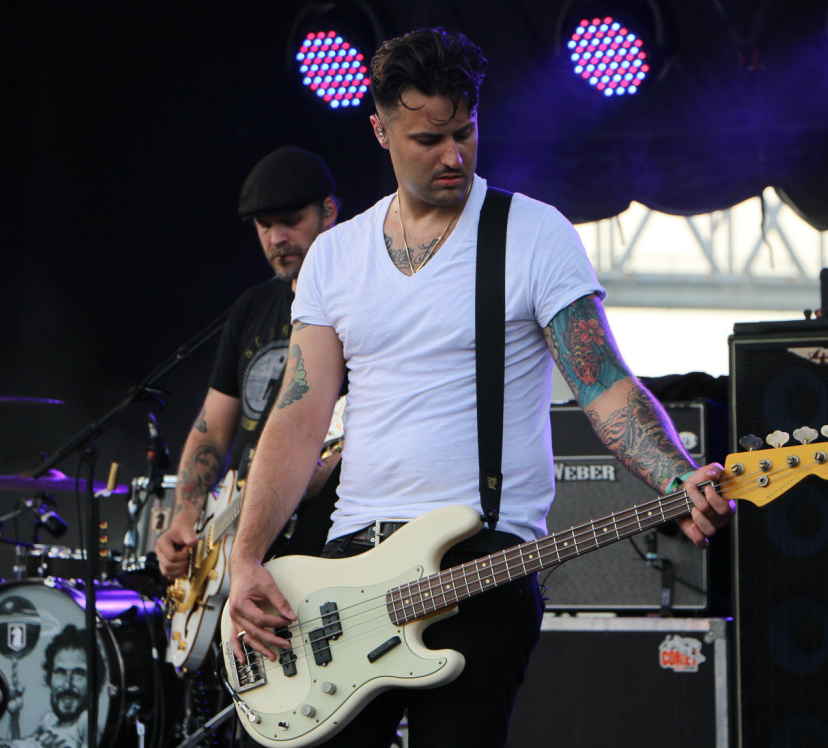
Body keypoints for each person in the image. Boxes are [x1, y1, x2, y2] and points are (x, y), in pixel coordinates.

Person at [225, 27, 735, 747]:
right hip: (346, 572)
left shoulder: (533, 235)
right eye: (427, 140)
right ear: (380, 131)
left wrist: (673, 475)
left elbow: (603, 384)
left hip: (483, 567)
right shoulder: (337, 256)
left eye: (464, 133)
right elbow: (298, 416)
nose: (453, 156)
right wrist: (248, 559)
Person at [155, 145, 342, 581]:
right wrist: (186, 517)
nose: (276, 238)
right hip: (239, 533)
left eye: (291, 221)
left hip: (325, 541)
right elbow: (213, 427)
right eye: (264, 226)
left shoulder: (355, 301)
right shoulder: (251, 307)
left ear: (328, 211)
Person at [0, 624, 104, 748]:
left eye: (78, 674)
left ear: (94, 681)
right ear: (50, 678)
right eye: (60, 673)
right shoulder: (48, 720)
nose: (67, 684)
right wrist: (14, 717)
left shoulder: (86, 722)